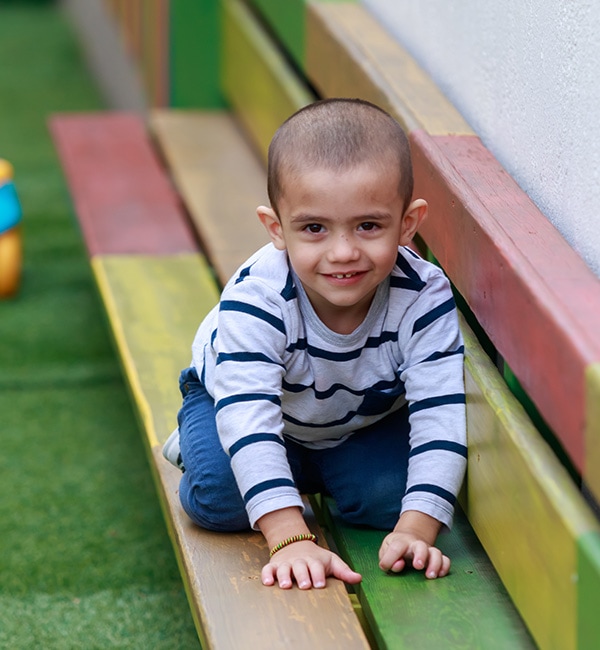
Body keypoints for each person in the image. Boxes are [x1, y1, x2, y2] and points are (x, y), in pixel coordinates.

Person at [163, 98, 467, 590]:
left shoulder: (423, 296)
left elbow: (440, 414)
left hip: (352, 423)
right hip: (240, 403)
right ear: (276, 228)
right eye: (314, 229)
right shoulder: (259, 298)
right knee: (218, 497)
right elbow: (249, 412)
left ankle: (296, 474)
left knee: (392, 500)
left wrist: (416, 530)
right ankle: (212, 450)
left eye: (369, 226)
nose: (343, 252)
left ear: (408, 224)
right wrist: (289, 535)